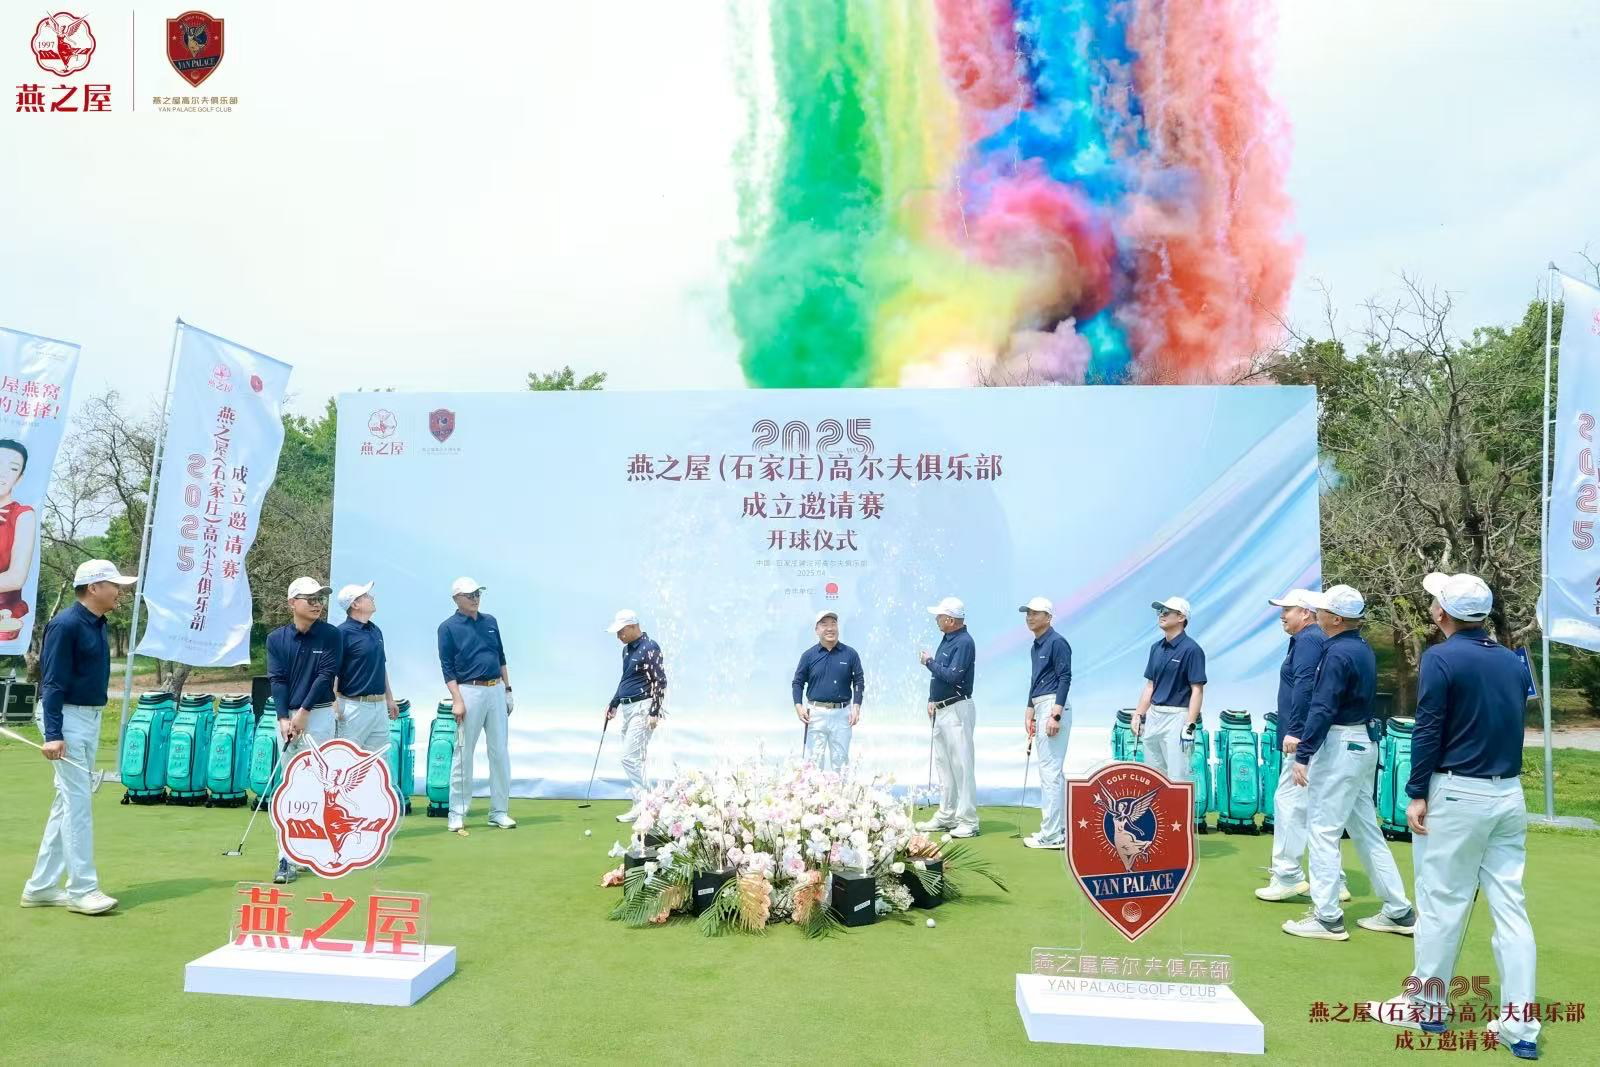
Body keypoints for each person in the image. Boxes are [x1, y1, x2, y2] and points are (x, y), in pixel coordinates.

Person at [1370, 573, 1540, 1059]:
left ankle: (1427, 1005)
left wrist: (1416, 792)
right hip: (1508, 793)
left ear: (1442, 612)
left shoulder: (1440, 658)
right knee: (1511, 907)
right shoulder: (1511, 659)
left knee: (1442, 901)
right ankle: (1520, 1025)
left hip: (1458, 791)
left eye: (1434, 600)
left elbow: (1429, 729)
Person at [1282, 584, 1416, 942]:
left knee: (1323, 830)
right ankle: (1398, 909)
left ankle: (1327, 917)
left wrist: (1304, 754)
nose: (1317, 614)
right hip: (1361, 744)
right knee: (1366, 830)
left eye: (1322, 610)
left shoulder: (1337, 653)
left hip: (1340, 744)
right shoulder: (1360, 647)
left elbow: (1323, 706)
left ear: (1337, 619)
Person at [20, 559, 137, 915]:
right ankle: (82, 890)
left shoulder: (98, 623)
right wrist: (54, 733)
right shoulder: (66, 624)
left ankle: (40, 887)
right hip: (66, 718)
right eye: (114, 585)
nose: (120, 591)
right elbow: (52, 682)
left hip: (88, 717)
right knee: (78, 803)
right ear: (93, 588)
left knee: (66, 802)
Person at [1257, 588, 1350, 904]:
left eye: (1288, 609)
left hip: (1304, 738)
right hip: (1314, 736)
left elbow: (1306, 687)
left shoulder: (1308, 640)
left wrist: (1296, 731)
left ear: (1306, 613)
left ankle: (1288, 875)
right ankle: (1334, 881)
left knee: (1289, 802)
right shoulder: (1307, 639)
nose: (1282, 615)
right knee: (1313, 807)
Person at [266, 576, 341, 884]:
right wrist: (284, 718)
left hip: (318, 715)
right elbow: (278, 680)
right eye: (310, 599)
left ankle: (314, 851)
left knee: (320, 786)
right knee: (291, 786)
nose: (317, 604)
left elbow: (326, 675)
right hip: (288, 720)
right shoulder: (276, 639)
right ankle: (286, 857)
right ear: (292, 603)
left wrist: (304, 712)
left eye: (320, 599)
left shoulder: (331, 635)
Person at [438, 577, 515, 834]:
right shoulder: (447, 628)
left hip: (496, 690)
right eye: (470, 595)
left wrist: (508, 690)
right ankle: (457, 812)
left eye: (477, 594)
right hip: (468, 691)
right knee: (463, 753)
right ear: (456, 598)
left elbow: (501, 657)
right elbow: (447, 667)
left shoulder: (490, 621)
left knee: (499, 752)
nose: (475, 599)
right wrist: (457, 700)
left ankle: (499, 811)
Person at [917, 596, 977, 838]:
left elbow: (953, 676)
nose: (936, 619)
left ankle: (968, 821)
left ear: (951, 620)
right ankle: (947, 815)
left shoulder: (964, 642)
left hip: (957, 709)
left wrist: (929, 662)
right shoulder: (949, 639)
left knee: (962, 766)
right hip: (942, 709)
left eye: (940, 616)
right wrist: (932, 699)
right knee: (944, 766)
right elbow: (943, 678)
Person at [1130, 596, 1206, 783]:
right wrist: (1138, 714)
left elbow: (1197, 690)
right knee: (1153, 776)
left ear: (1181, 617)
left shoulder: (1192, 650)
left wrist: (1190, 725)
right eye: (1160, 612)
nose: (1161, 615)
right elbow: (1150, 685)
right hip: (1154, 716)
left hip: (1177, 717)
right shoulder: (1155, 648)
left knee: (1177, 777)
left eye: (1166, 612)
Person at [605, 609, 667, 824]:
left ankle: (646, 804)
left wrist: (655, 711)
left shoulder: (650, 647)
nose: (618, 636)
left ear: (633, 627)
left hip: (644, 707)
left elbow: (660, 680)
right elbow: (626, 679)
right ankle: (643, 806)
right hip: (628, 708)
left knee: (628, 758)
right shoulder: (627, 650)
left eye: (621, 631)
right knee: (636, 759)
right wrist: (614, 703)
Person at [1019, 596, 1071, 850]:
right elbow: (1035, 679)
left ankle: (1052, 834)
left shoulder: (1057, 642)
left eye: (1035, 613)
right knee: (1051, 772)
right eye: (1027, 613)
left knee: (1050, 772)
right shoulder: (1036, 645)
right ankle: (1058, 829)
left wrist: (1055, 714)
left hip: (1053, 705)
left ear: (1048, 617)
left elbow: (1065, 677)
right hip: (1041, 704)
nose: (1029, 617)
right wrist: (1030, 709)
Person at [791, 610, 864, 772]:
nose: (830, 628)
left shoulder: (850, 654)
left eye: (833, 624)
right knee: (813, 762)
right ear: (817, 630)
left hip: (842, 713)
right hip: (815, 714)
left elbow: (858, 681)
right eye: (824, 624)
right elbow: (797, 683)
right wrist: (798, 706)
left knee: (841, 761)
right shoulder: (808, 656)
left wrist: (856, 706)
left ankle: (841, 789)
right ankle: (813, 789)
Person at [333, 581, 398, 754]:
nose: (372, 597)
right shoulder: (341, 633)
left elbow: (380, 666)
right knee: (346, 759)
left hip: (379, 707)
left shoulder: (375, 630)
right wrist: (334, 704)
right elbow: (333, 673)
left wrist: (389, 699)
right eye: (366, 596)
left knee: (379, 761)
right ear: (355, 604)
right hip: (353, 708)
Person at [0, 438, 38, 633]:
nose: (2, 473)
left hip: (5, 616)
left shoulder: (23, 515)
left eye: (13, 468)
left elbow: (16, 578)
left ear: (20, 478)